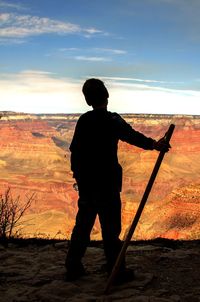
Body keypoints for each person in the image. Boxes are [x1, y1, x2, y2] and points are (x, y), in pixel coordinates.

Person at [65, 78, 170, 282]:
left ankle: (73, 267)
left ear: (87, 100)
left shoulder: (84, 121)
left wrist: (79, 177)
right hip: (107, 184)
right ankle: (116, 270)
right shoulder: (112, 120)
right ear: (107, 96)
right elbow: (132, 136)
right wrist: (155, 145)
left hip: (88, 185)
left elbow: (75, 151)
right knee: (111, 229)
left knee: (82, 226)